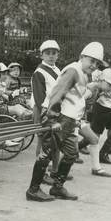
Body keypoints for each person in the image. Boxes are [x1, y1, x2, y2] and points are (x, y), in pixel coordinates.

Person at [26, 42, 107, 202]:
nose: (94, 65)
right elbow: (57, 93)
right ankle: (33, 190)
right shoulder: (73, 70)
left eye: (97, 63)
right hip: (59, 119)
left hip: (70, 121)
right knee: (47, 153)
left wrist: (77, 120)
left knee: (71, 153)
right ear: (82, 57)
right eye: (91, 61)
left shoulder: (82, 74)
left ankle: (57, 187)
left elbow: (76, 99)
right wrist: (52, 119)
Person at [30, 40, 65, 185]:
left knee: (56, 142)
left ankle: (55, 171)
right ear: (42, 55)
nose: (51, 56)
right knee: (43, 141)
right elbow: (39, 98)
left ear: (57, 55)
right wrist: (46, 115)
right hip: (43, 110)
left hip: (55, 109)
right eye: (47, 53)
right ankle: (42, 173)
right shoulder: (39, 72)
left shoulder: (57, 70)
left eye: (54, 53)